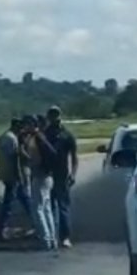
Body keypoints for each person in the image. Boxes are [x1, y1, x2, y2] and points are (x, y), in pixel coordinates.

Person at [0, 117, 35, 242]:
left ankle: (35, 222)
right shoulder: (12, 139)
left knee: (25, 200)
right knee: (9, 204)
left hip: (6, 173)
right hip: (13, 175)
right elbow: (15, 159)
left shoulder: (4, 137)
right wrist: (19, 176)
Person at [22, 114, 58, 251]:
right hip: (46, 175)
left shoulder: (36, 138)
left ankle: (45, 240)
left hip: (40, 175)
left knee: (38, 208)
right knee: (46, 208)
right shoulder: (39, 136)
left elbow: (39, 156)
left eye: (27, 124)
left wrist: (33, 162)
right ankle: (51, 239)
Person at [44, 105, 78, 249]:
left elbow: (74, 157)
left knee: (63, 207)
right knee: (48, 207)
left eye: (56, 114)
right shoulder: (45, 134)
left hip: (62, 174)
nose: (55, 118)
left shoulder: (67, 135)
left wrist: (73, 173)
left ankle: (65, 237)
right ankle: (52, 236)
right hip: (47, 174)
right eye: (52, 115)